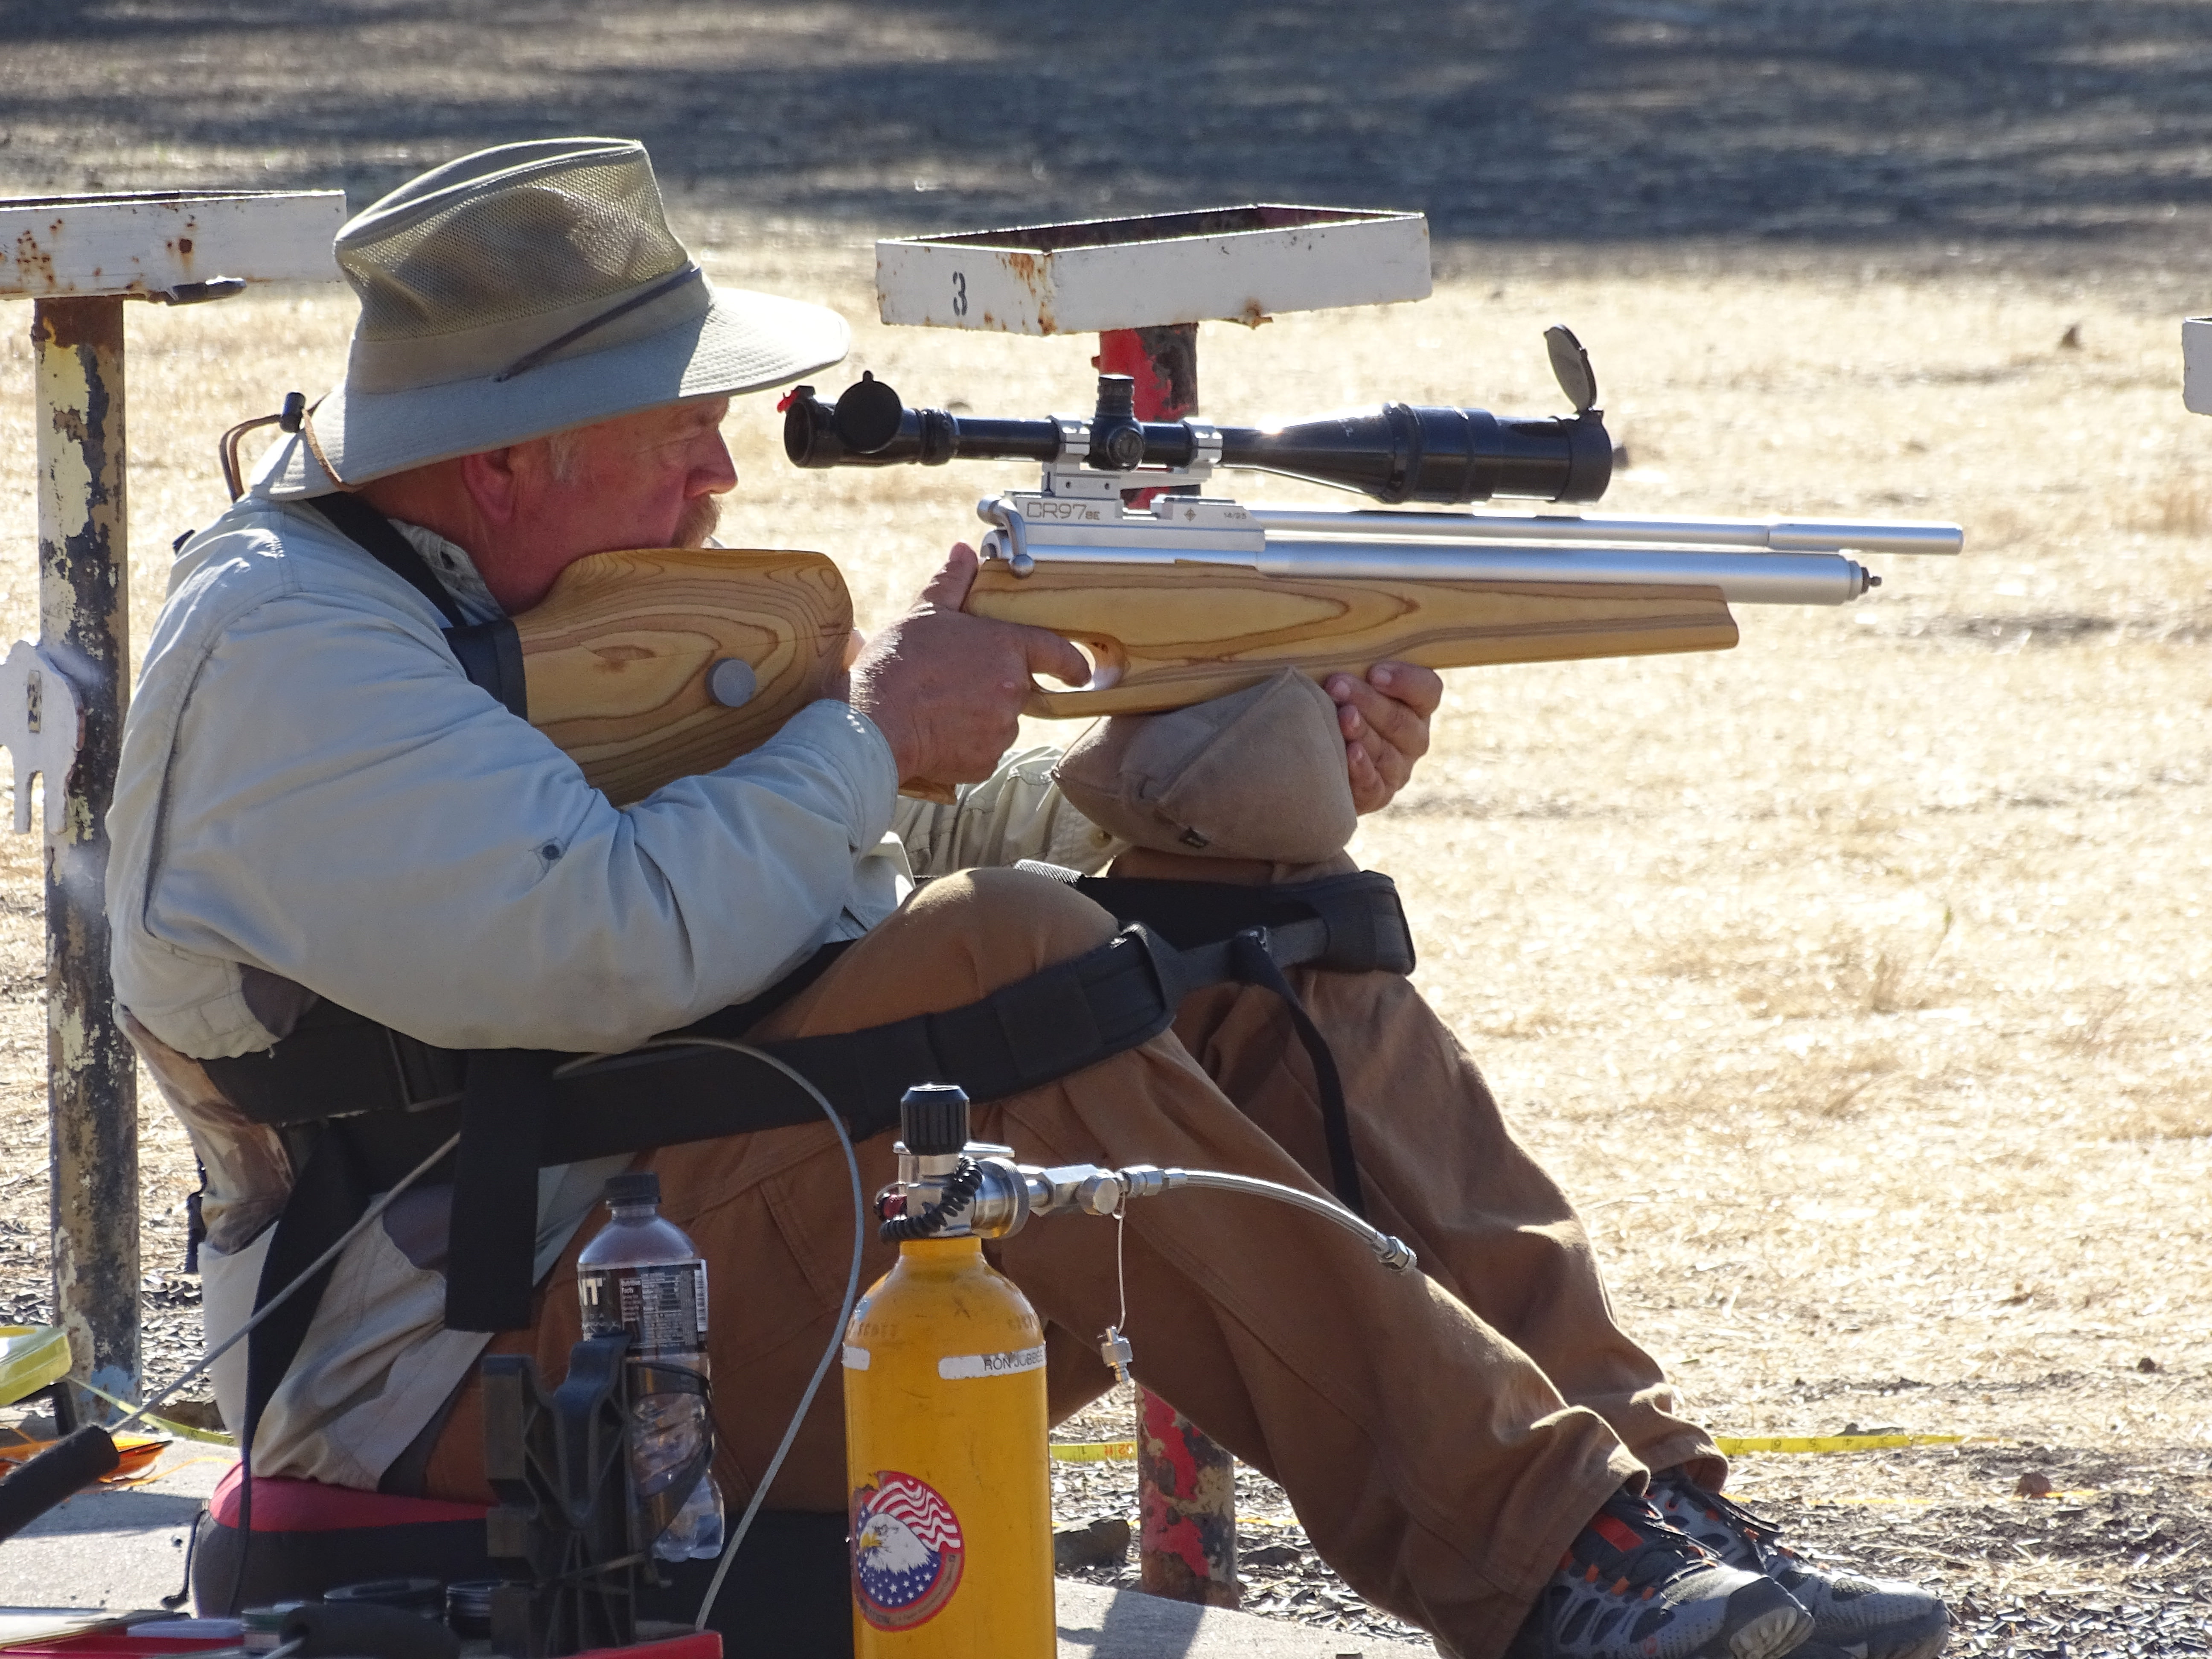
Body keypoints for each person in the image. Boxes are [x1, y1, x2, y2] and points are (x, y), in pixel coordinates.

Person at [108, 137, 1945, 1659]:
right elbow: (613, 943)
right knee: (1017, 959)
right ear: (510, 454)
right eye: (669, 423)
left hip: (653, 1241)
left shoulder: (475, 597)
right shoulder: (290, 645)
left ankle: (1648, 1523)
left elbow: (839, 880)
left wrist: (1204, 784)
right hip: (448, 1359)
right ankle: (1543, 1568)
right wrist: (870, 740)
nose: (717, 470)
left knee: (1252, 920)